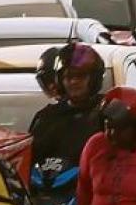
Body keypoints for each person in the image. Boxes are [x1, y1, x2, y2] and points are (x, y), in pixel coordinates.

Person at [27, 44, 110, 173]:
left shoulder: (107, 113)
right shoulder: (46, 117)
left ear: (94, 79)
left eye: (80, 76)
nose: (74, 82)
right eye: (68, 77)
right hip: (46, 189)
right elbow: (28, 160)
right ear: (60, 80)